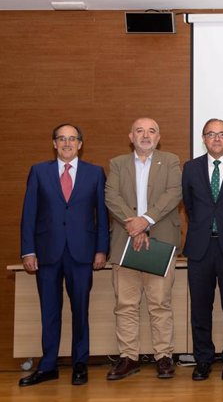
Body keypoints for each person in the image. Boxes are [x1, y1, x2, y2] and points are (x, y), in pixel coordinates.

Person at [18, 124, 109, 387]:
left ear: (80, 144)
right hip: (46, 254)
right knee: (49, 311)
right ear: (54, 144)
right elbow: (29, 214)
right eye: (62, 139)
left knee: (80, 310)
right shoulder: (38, 172)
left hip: (82, 254)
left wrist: (101, 249)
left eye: (73, 139)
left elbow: (101, 217)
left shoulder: (94, 173)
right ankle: (47, 366)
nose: (67, 143)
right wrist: (28, 250)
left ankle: (80, 364)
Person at [105, 117, 182, 380]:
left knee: (160, 303)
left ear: (159, 137)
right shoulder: (117, 163)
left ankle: (163, 357)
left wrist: (146, 220)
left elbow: (173, 193)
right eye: (140, 130)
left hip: (160, 241)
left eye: (151, 131)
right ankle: (128, 357)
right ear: (131, 136)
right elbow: (111, 197)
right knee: (125, 304)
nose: (145, 135)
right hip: (124, 242)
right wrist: (134, 225)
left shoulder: (170, 160)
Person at [182, 119, 223, 381]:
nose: (217, 139)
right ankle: (203, 360)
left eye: (222, 134)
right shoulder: (191, 168)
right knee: (200, 308)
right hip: (200, 247)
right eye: (211, 134)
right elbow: (189, 205)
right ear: (203, 138)